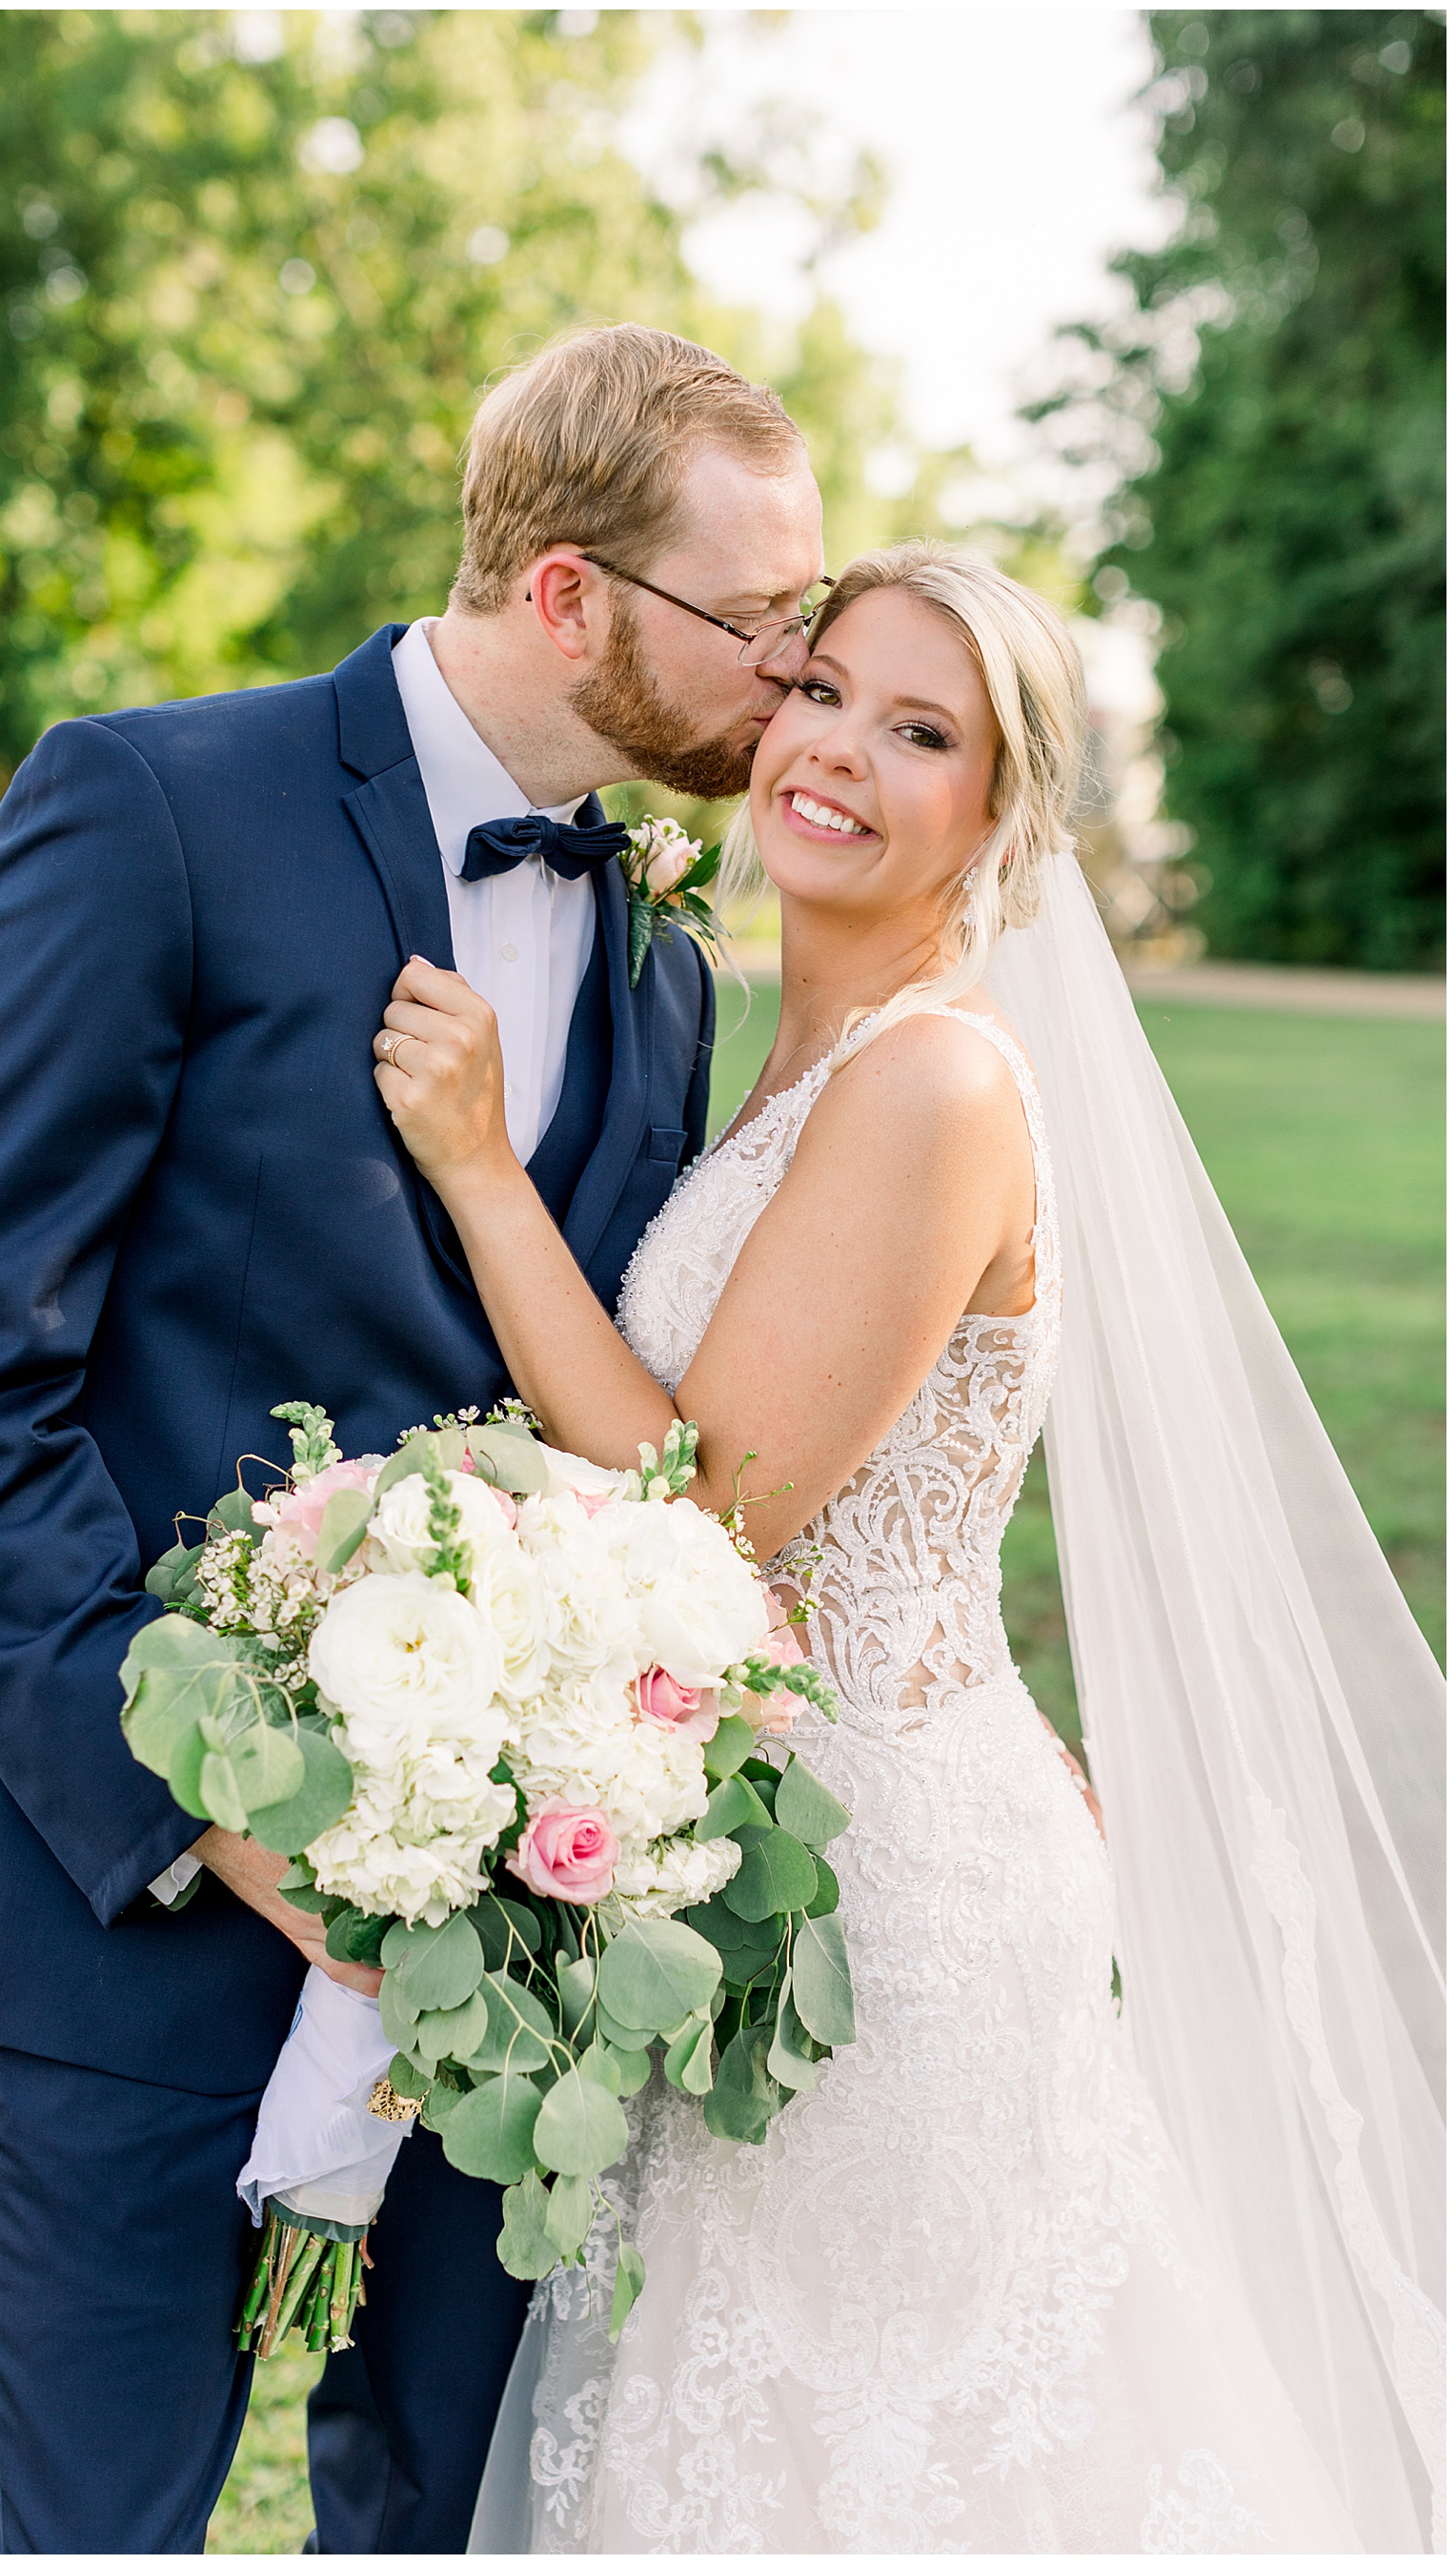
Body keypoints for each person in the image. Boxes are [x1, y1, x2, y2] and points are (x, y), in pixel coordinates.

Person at [0, 323, 827, 2555]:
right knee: (98, 2522)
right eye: (754, 619)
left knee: (445, 2518)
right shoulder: (153, 803)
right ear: (568, 593)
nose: (790, 670)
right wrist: (216, 1821)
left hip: (519, 1931)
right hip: (144, 1899)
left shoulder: (663, 962)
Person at [372, 541, 1445, 2554]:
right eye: (823, 688)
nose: (839, 750)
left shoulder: (937, 1080)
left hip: (892, 1916)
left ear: (1004, 816)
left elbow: (706, 1515)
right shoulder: (775, 1051)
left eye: (922, 730)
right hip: (771, 1867)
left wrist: (480, 1174)